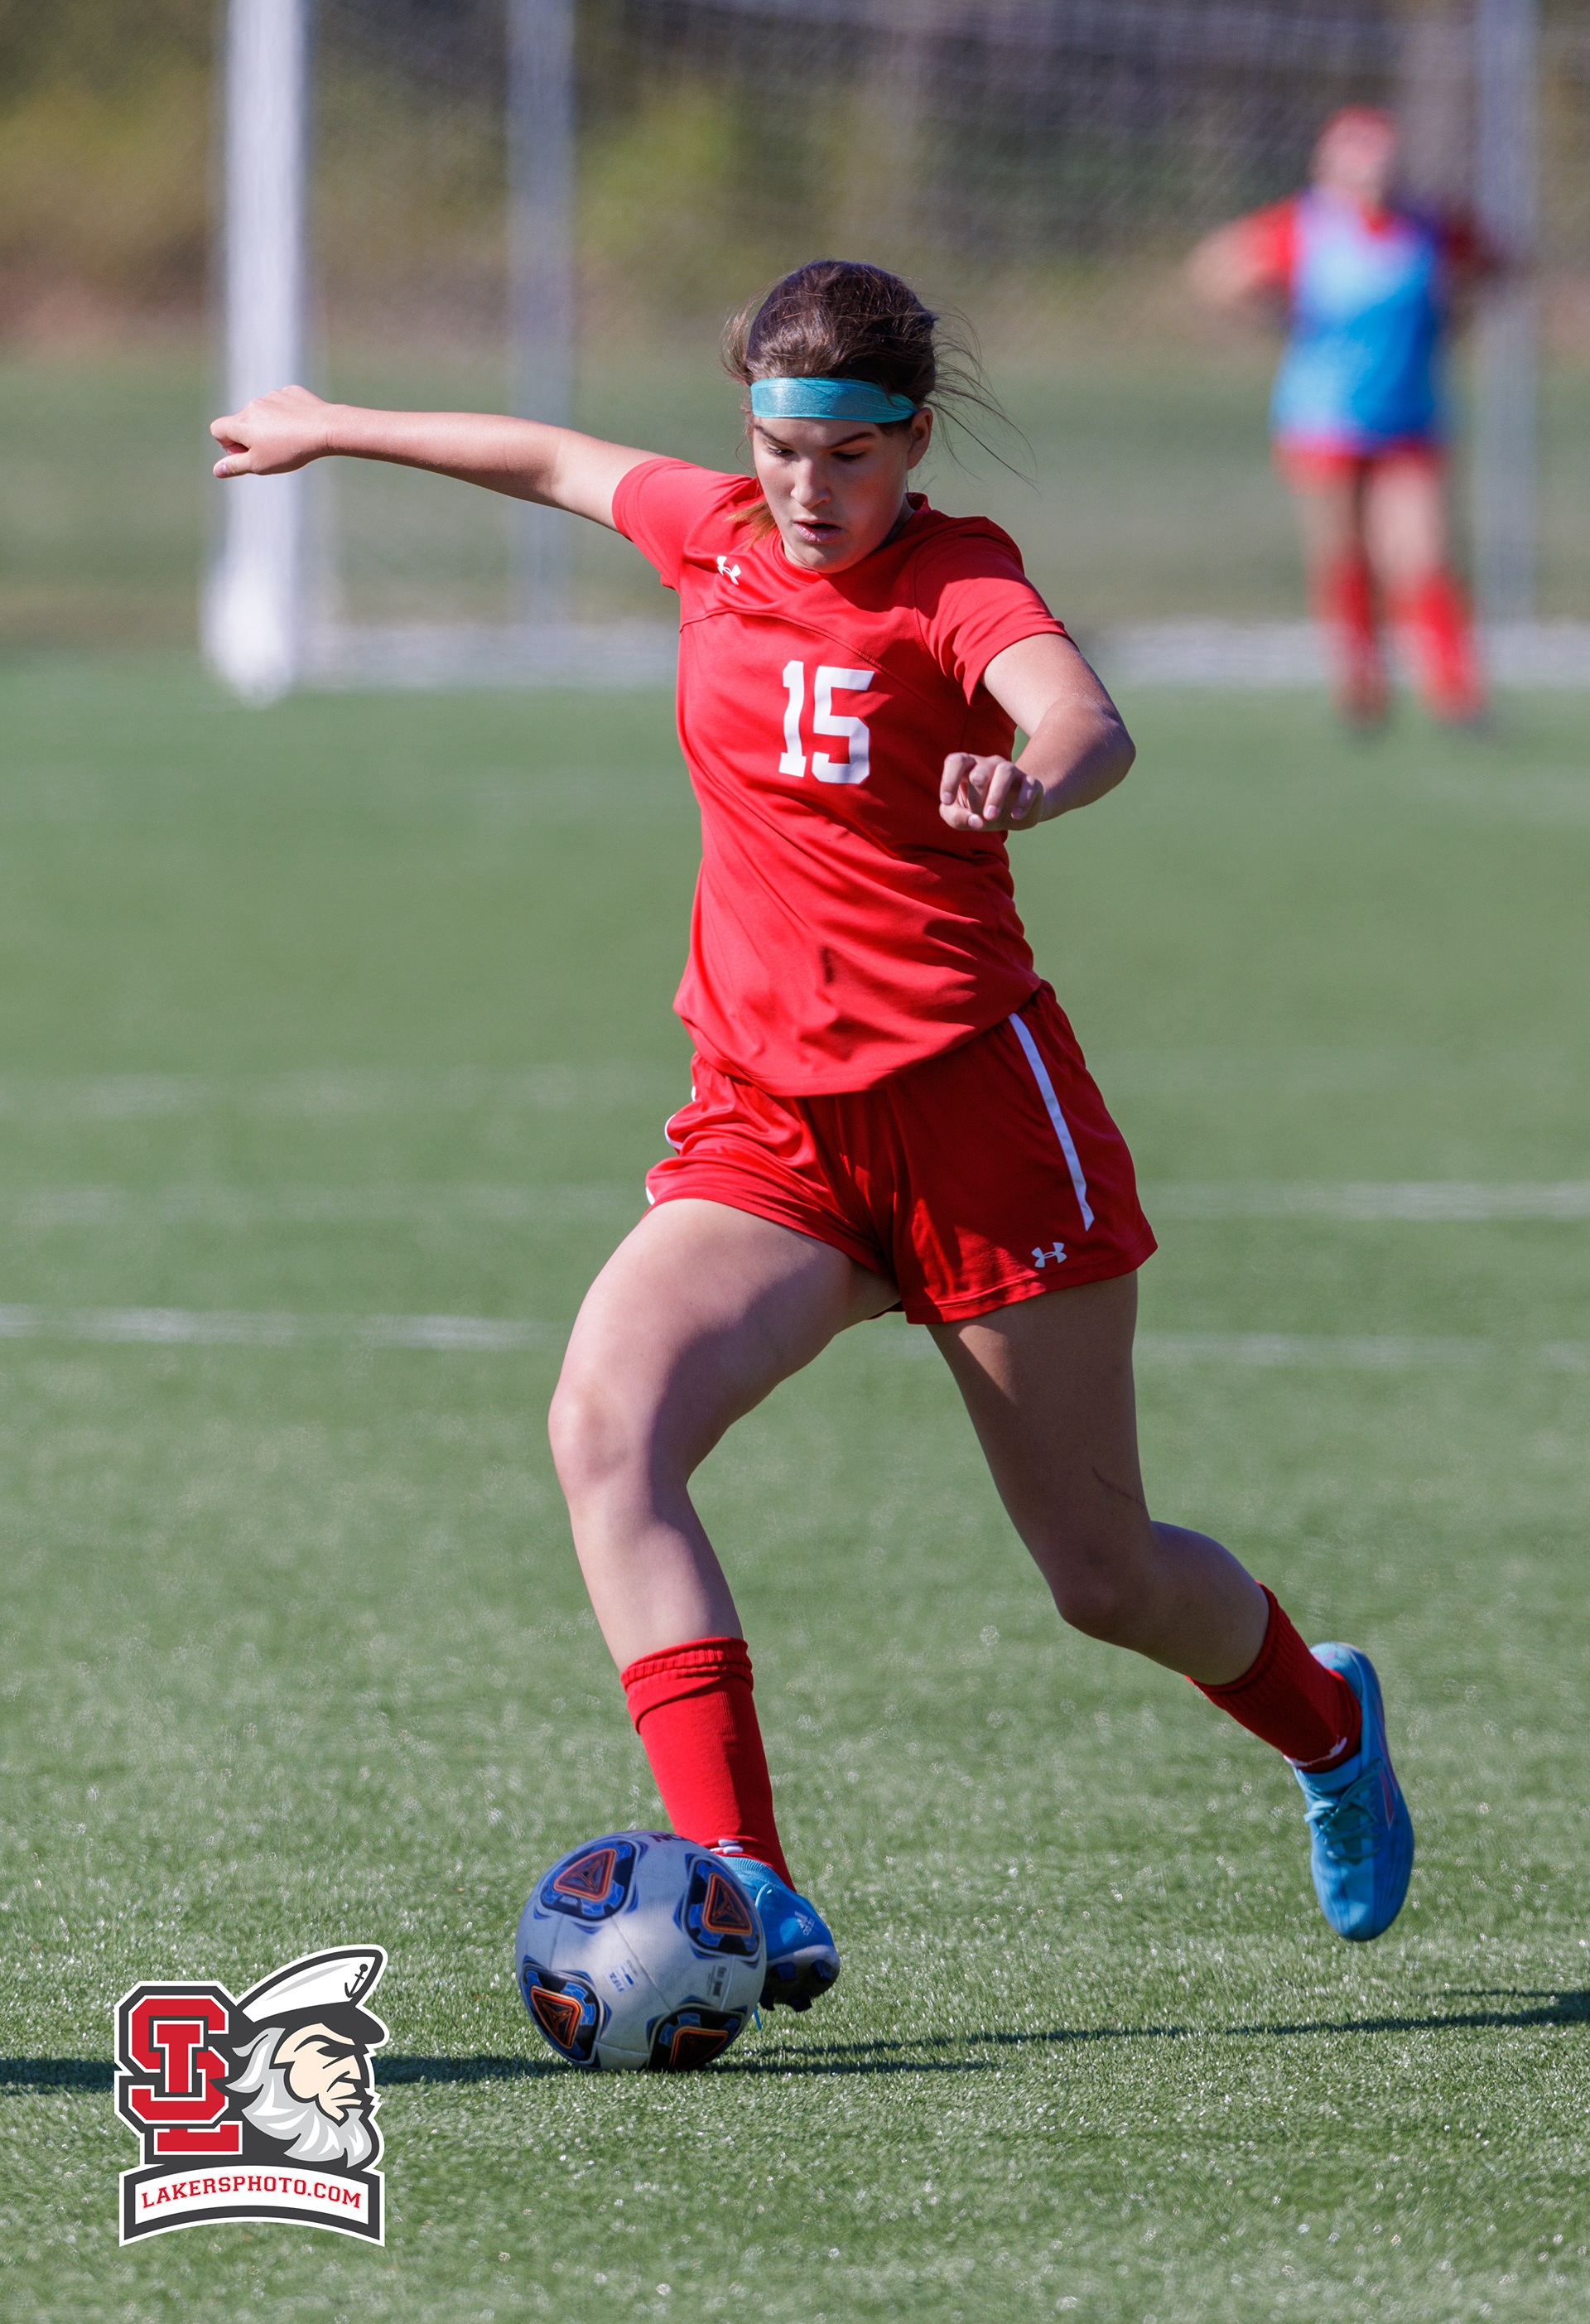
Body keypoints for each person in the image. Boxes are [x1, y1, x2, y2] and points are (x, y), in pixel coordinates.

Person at [210, 259, 1414, 2016]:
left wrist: (1034, 775)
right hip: (771, 1130)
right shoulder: (709, 536)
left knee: (1104, 1578)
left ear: (911, 439)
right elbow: (549, 458)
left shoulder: (956, 578)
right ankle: (747, 1876)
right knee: (606, 1427)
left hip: (978, 1127)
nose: (807, 486)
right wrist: (332, 426)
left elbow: (1084, 713)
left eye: (847, 454)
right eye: (780, 448)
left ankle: (1326, 1719)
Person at [1188, 106, 1497, 727]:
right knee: (1344, 551)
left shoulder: (1429, 227)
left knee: (1423, 552)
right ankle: (1360, 684)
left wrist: (1451, 315)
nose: (1372, 175)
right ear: (1327, 167)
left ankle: (1456, 692)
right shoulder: (1303, 227)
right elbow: (1216, 271)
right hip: (1323, 417)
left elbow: (1497, 265)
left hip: (1409, 417)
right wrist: (1275, 317)